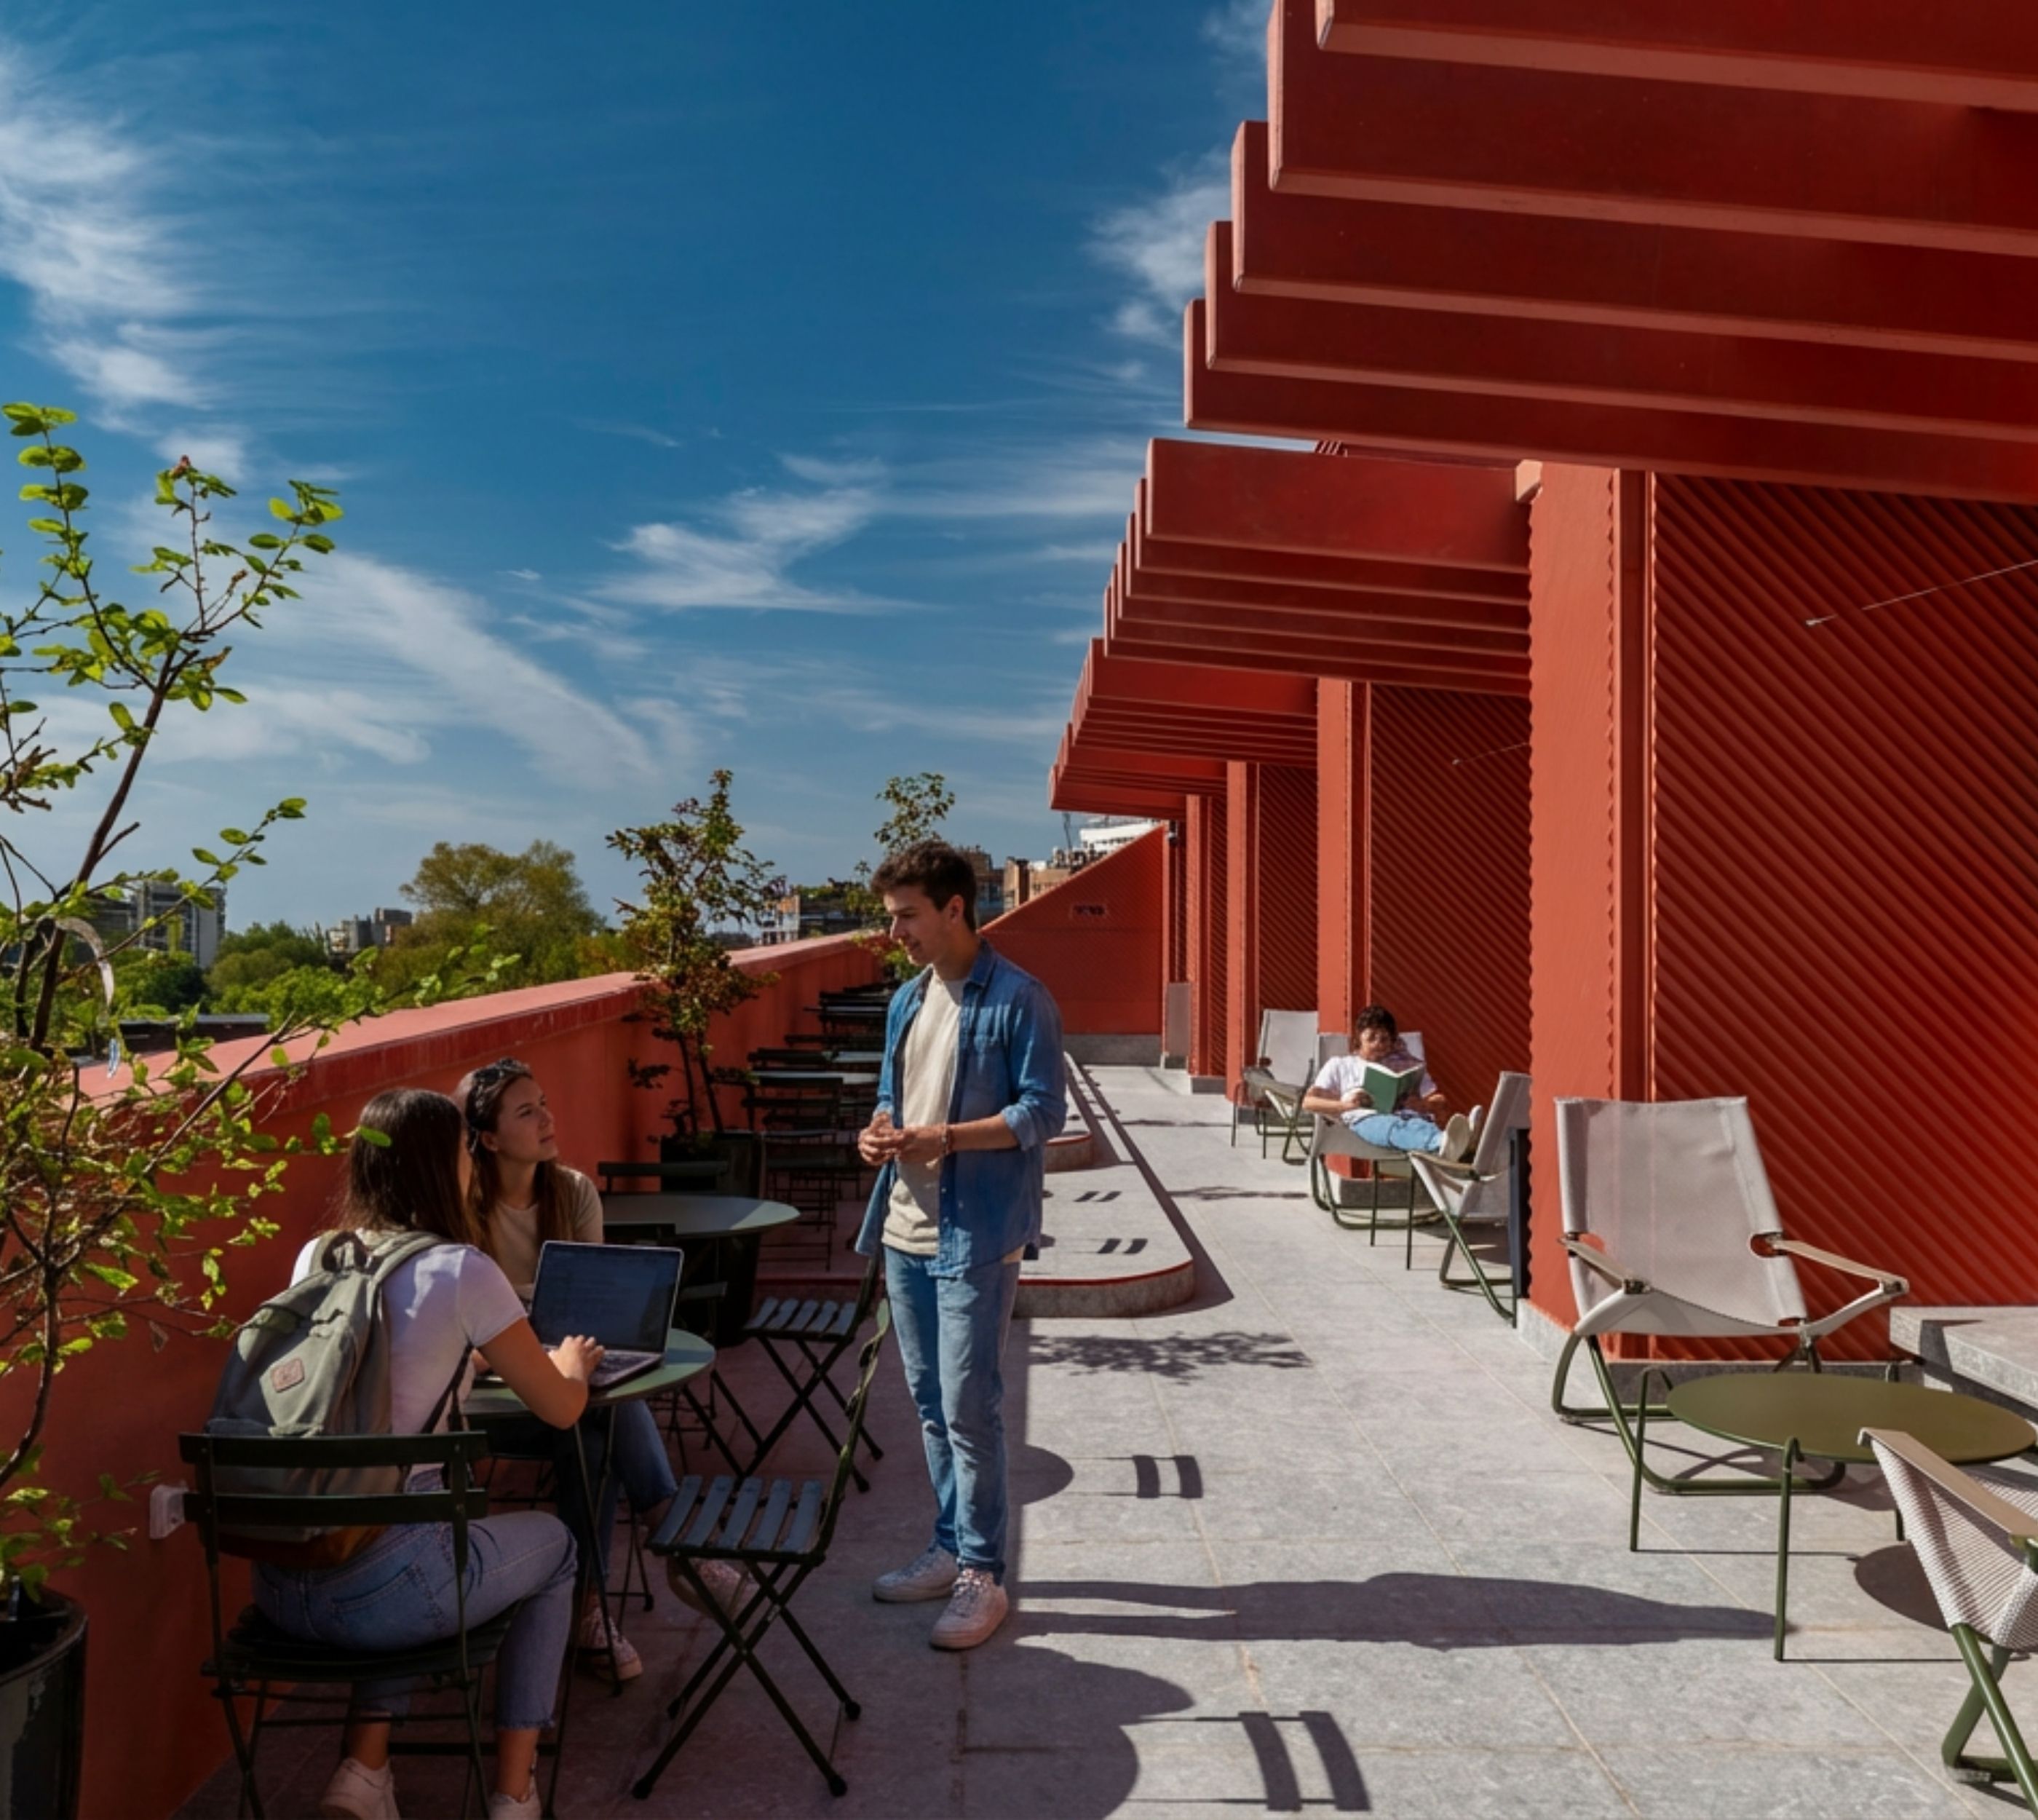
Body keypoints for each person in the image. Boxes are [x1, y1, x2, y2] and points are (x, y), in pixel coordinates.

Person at [253, 1088, 598, 1820]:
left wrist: (459, 1358)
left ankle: (364, 1772)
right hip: (386, 1591)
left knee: (414, 1529)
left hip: (285, 1576)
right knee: (556, 1546)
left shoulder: (319, 1254)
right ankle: (514, 1791)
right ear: (448, 1165)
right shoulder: (462, 1269)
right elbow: (561, 1410)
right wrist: (571, 1365)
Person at [854, 840, 1065, 1651]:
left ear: (954, 909)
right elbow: (890, 1095)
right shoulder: (907, 1000)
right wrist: (877, 1133)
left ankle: (983, 1572)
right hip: (903, 1229)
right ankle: (948, 1547)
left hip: (976, 1231)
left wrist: (945, 1136)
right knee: (930, 1405)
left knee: (971, 1408)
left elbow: (1042, 1113)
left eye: (907, 916)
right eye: (891, 917)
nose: (896, 932)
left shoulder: (1020, 998)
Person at [456, 1056, 725, 1685]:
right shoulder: (462, 1206)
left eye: (545, 1103)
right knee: (595, 1425)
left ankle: (589, 1610)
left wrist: (545, 1346)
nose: (547, 1119)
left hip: (563, 1383)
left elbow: (591, 1303)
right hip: (490, 1402)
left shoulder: (572, 1191)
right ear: (489, 1138)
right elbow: (465, 1334)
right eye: (527, 1112)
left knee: (594, 1430)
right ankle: (672, 1538)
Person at [1301, 1003, 1475, 1161]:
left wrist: (1423, 1105)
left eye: (1384, 1039)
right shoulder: (1341, 1065)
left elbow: (1441, 1101)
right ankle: (1449, 1143)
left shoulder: (1405, 1065)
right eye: (1372, 1038)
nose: (1378, 1044)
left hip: (1408, 1117)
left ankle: (1452, 1143)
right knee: (1393, 1126)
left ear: (1393, 1042)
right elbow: (1308, 1102)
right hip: (1368, 1119)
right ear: (1359, 1038)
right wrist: (1346, 1106)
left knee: (1417, 1124)